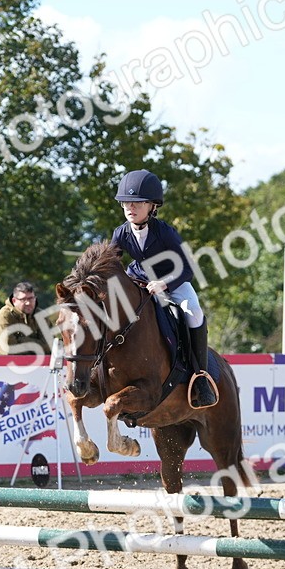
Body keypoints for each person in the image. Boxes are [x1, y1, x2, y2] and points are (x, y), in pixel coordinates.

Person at [110, 168, 217, 409]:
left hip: (173, 282)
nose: (130, 207)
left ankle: (201, 377)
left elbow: (188, 269)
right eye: (126, 202)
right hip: (139, 281)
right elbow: (111, 266)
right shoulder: (121, 233)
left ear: (152, 206)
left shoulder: (166, 232)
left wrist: (164, 283)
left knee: (194, 314)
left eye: (137, 203)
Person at [0, 281, 51, 356]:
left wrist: (22, 340)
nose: (28, 303)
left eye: (31, 298)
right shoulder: (5, 315)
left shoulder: (40, 315)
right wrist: (36, 346)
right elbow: (7, 349)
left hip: (35, 363)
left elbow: (49, 346)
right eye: (23, 299)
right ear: (14, 301)